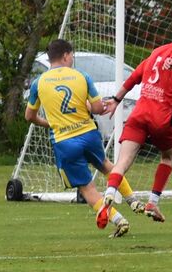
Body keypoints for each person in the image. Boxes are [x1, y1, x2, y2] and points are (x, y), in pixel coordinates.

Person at [25, 39, 141, 237]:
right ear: (66, 55)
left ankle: (118, 220)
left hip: (64, 141)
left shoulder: (39, 83)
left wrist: (49, 123)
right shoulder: (81, 76)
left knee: (87, 188)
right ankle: (133, 200)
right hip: (88, 134)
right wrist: (90, 106)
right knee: (106, 165)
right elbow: (97, 109)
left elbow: (30, 116)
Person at [101, 16, 172, 221]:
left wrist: (116, 99)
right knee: (168, 156)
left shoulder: (157, 52)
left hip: (139, 114)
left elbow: (134, 77)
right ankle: (153, 203)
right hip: (163, 118)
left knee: (122, 162)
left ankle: (110, 192)